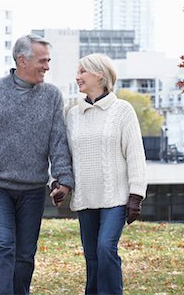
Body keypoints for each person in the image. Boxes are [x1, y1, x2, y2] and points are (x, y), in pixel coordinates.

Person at [0, 34, 74, 295]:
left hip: (32, 189)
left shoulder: (52, 96)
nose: (47, 66)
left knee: (24, 255)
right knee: (3, 245)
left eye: (48, 61)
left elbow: (58, 142)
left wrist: (64, 179)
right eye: (42, 61)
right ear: (22, 60)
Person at [51, 53, 147, 295]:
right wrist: (61, 181)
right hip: (86, 198)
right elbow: (66, 154)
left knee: (106, 248)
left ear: (100, 75)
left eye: (83, 71)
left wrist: (136, 195)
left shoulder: (122, 110)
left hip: (115, 198)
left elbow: (135, 154)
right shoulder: (73, 114)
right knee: (92, 257)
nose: (77, 77)